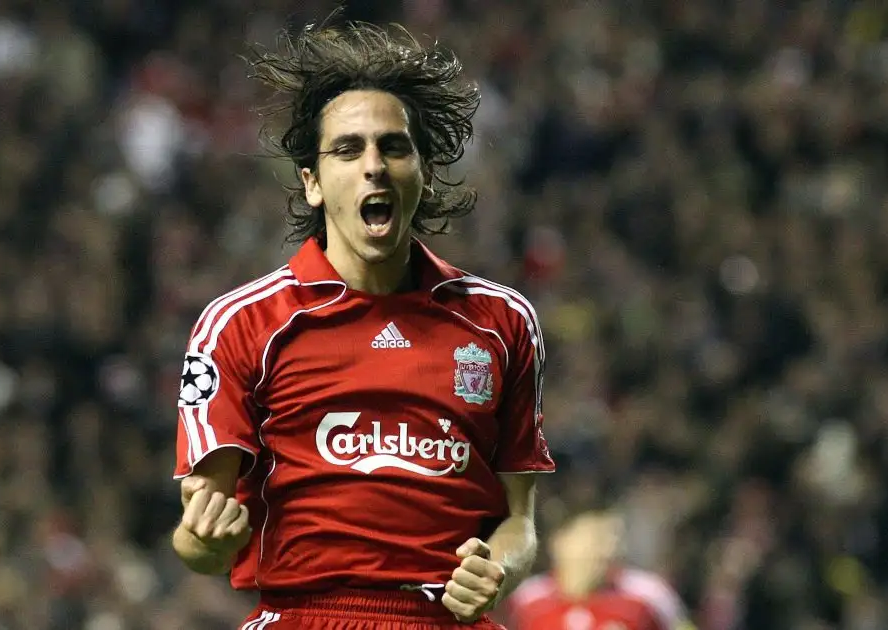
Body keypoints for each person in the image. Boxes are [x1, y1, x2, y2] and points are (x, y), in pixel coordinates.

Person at [169, 18, 555, 630]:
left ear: (421, 170)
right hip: (305, 614)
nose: (373, 165)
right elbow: (196, 543)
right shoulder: (241, 325)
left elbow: (519, 522)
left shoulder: (501, 322)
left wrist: (498, 571)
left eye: (393, 147)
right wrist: (211, 539)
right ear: (313, 183)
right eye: (348, 150)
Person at [503, 510, 692, 630]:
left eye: (613, 540)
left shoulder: (650, 596)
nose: (608, 549)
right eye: (596, 538)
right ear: (560, 542)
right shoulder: (524, 601)